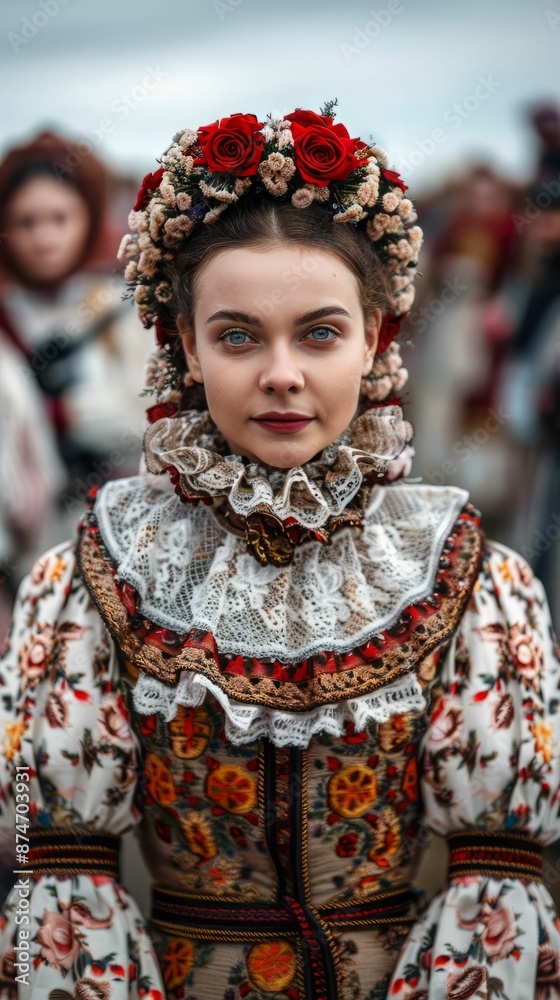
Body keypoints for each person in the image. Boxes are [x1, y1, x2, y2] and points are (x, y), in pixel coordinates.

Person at [0, 105, 559, 1000]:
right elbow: (52, 872)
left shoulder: (465, 575)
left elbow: (496, 890)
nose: (282, 373)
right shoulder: (90, 578)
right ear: (184, 343)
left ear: (377, 336)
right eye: (237, 336)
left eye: (320, 332)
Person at [0, 129, 149, 554]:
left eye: (60, 219)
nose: (44, 239)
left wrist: (67, 414)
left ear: (88, 219)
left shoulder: (121, 308)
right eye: (26, 222)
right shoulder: (5, 321)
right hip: (33, 550)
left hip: (125, 534)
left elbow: (153, 421)